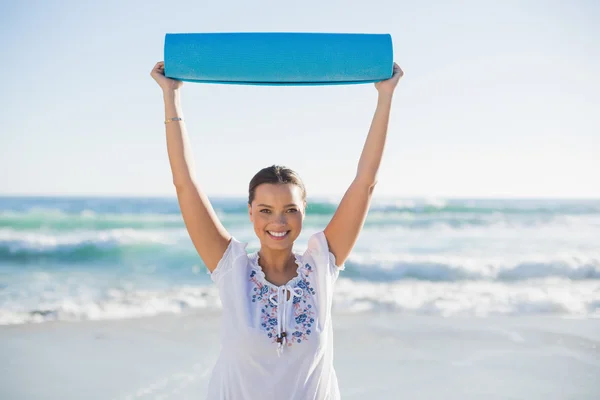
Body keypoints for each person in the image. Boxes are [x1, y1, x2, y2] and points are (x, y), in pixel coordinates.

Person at [150, 60, 403, 399]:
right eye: (266, 210)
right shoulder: (232, 268)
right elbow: (185, 184)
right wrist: (171, 96)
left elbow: (365, 183)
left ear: (303, 212)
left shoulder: (320, 266)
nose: (278, 222)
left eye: (290, 210)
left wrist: (385, 97)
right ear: (251, 213)